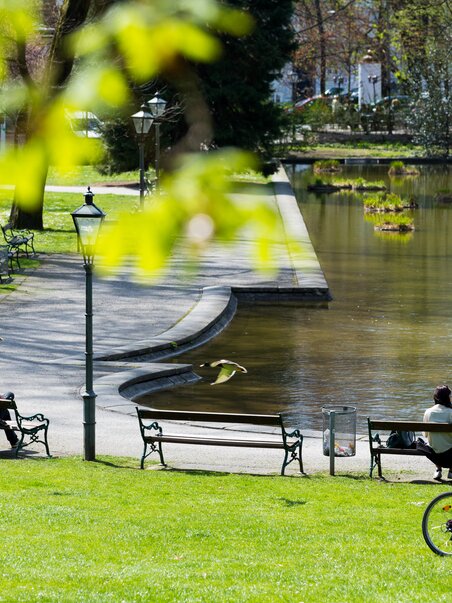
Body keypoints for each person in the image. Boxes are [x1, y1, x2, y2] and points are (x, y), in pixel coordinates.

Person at [417, 385, 452, 481]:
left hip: (434, 454)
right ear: (448, 397)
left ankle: (438, 469)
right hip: (450, 454)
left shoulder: (428, 412)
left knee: (428, 443)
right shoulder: (451, 412)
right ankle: (451, 470)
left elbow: (425, 434)